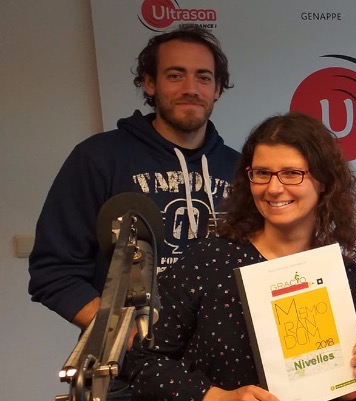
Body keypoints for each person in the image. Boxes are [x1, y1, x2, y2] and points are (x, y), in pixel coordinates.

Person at [125, 112, 356, 400]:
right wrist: (218, 397)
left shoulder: (347, 277)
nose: (274, 188)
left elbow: (338, 388)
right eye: (262, 173)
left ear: (324, 181)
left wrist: (355, 381)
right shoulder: (208, 261)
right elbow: (143, 364)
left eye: (292, 173)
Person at [28, 25, 239, 331]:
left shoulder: (240, 168)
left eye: (203, 77)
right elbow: (54, 272)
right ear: (149, 83)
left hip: (220, 350)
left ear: (217, 88)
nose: (191, 88)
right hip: (133, 355)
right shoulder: (98, 157)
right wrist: (122, 336)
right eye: (175, 75)